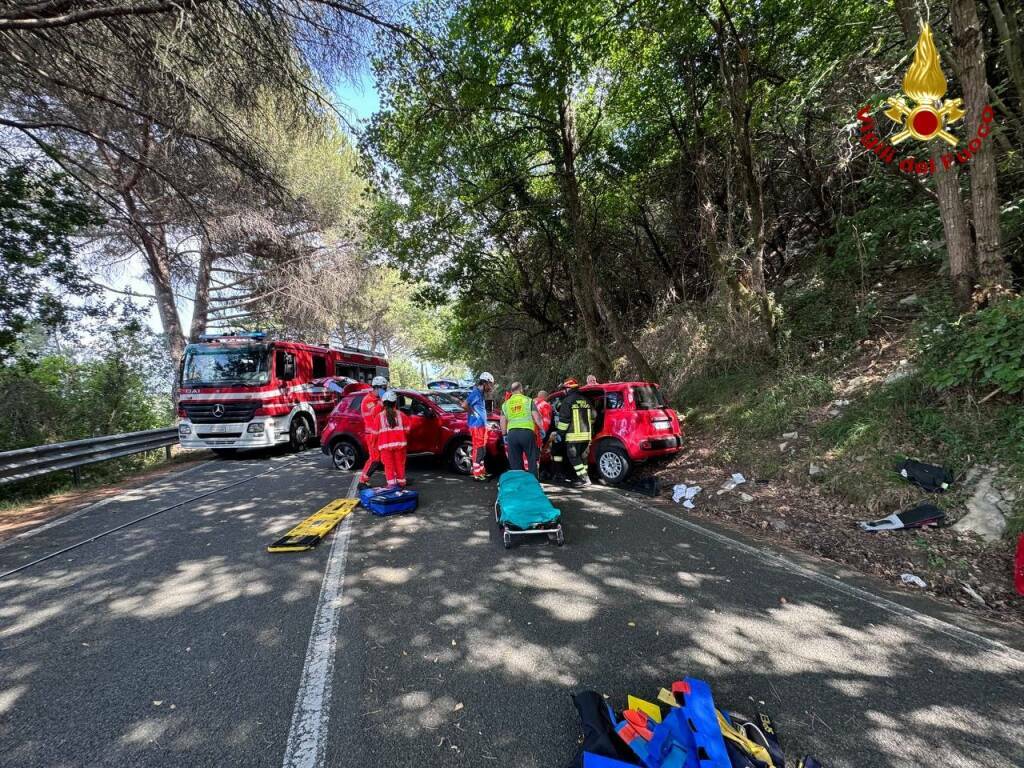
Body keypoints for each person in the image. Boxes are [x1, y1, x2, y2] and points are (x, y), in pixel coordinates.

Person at [549, 378, 594, 487]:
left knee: (573, 457)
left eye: (565, 389)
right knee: (583, 458)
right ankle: (582, 476)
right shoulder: (586, 400)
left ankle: (584, 479)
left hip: (574, 436)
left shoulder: (567, 401)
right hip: (587, 435)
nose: (564, 391)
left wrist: (559, 434)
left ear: (569, 389)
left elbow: (564, 421)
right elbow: (593, 417)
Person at [500, 382, 543, 476]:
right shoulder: (528, 400)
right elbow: (537, 417)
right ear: (521, 389)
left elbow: (502, 421)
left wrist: (504, 435)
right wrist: (542, 429)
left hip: (512, 434)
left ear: (511, 391)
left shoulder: (505, 404)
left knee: (515, 462)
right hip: (527, 433)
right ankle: (533, 484)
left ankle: (519, 485)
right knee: (531, 460)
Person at [357, 375, 390, 490]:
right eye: (383, 388)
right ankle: (362, 481)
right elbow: (373, 415)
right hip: (372, 435)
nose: (384, 391)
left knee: (387, 456)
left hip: (381, 434)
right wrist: (381, 403)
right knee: (375, 459)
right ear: (377, 388)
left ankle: (394, 479)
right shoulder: (368, 400)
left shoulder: (377, 399)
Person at [462, 372, 494, 481]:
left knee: (483, 450)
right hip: (476, 426)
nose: (491, 387)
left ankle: (482, 472)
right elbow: (464, 405)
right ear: (484, 382)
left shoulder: (480, 394)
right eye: (490, 384)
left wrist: (486, 423)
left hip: (482, 426)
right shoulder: (475, 393)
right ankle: (476, 474)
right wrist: (473, 414)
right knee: (479, 449)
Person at [377, 390, 409, 489]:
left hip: (385, 446)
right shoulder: (401, 415)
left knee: (389, 467)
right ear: (395, 403)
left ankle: (391, 485)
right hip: (400, 446)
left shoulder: (379, 416)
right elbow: (407, 429)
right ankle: (402, 483)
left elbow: (374, 433)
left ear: (383, 403)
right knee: (400, 465)